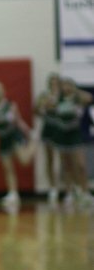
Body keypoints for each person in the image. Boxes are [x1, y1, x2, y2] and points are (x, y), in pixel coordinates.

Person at [0, 80, 36, 214]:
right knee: (8, 168)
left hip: (15, 136)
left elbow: (19, 121)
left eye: (1, 89)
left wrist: (29, 132)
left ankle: (35, 143)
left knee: (24, 161)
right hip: (3, 139)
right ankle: (13, 194)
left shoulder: (11, 105)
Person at [52, 77, 94, 210]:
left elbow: (89, 97)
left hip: (75, 134)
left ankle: (85, 191)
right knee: (66, 165)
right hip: (62, 134)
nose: (66, 88)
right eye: (64, 85)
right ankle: (69, 191)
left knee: (81, 165)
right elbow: (45, 105)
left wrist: (76, 91)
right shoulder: (58, 99)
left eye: (68, 85)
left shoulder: (78, 98)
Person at [34, 72, 61, 206]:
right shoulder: (44, 96)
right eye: (52, 82)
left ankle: (69, 188)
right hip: (48, 130)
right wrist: (44, 104)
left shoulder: (63, 96)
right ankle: (52, 187)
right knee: (50, 159)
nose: (54, 85)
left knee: (65, 159)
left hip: (61, 130)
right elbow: (37, 110)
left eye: (56, 82)